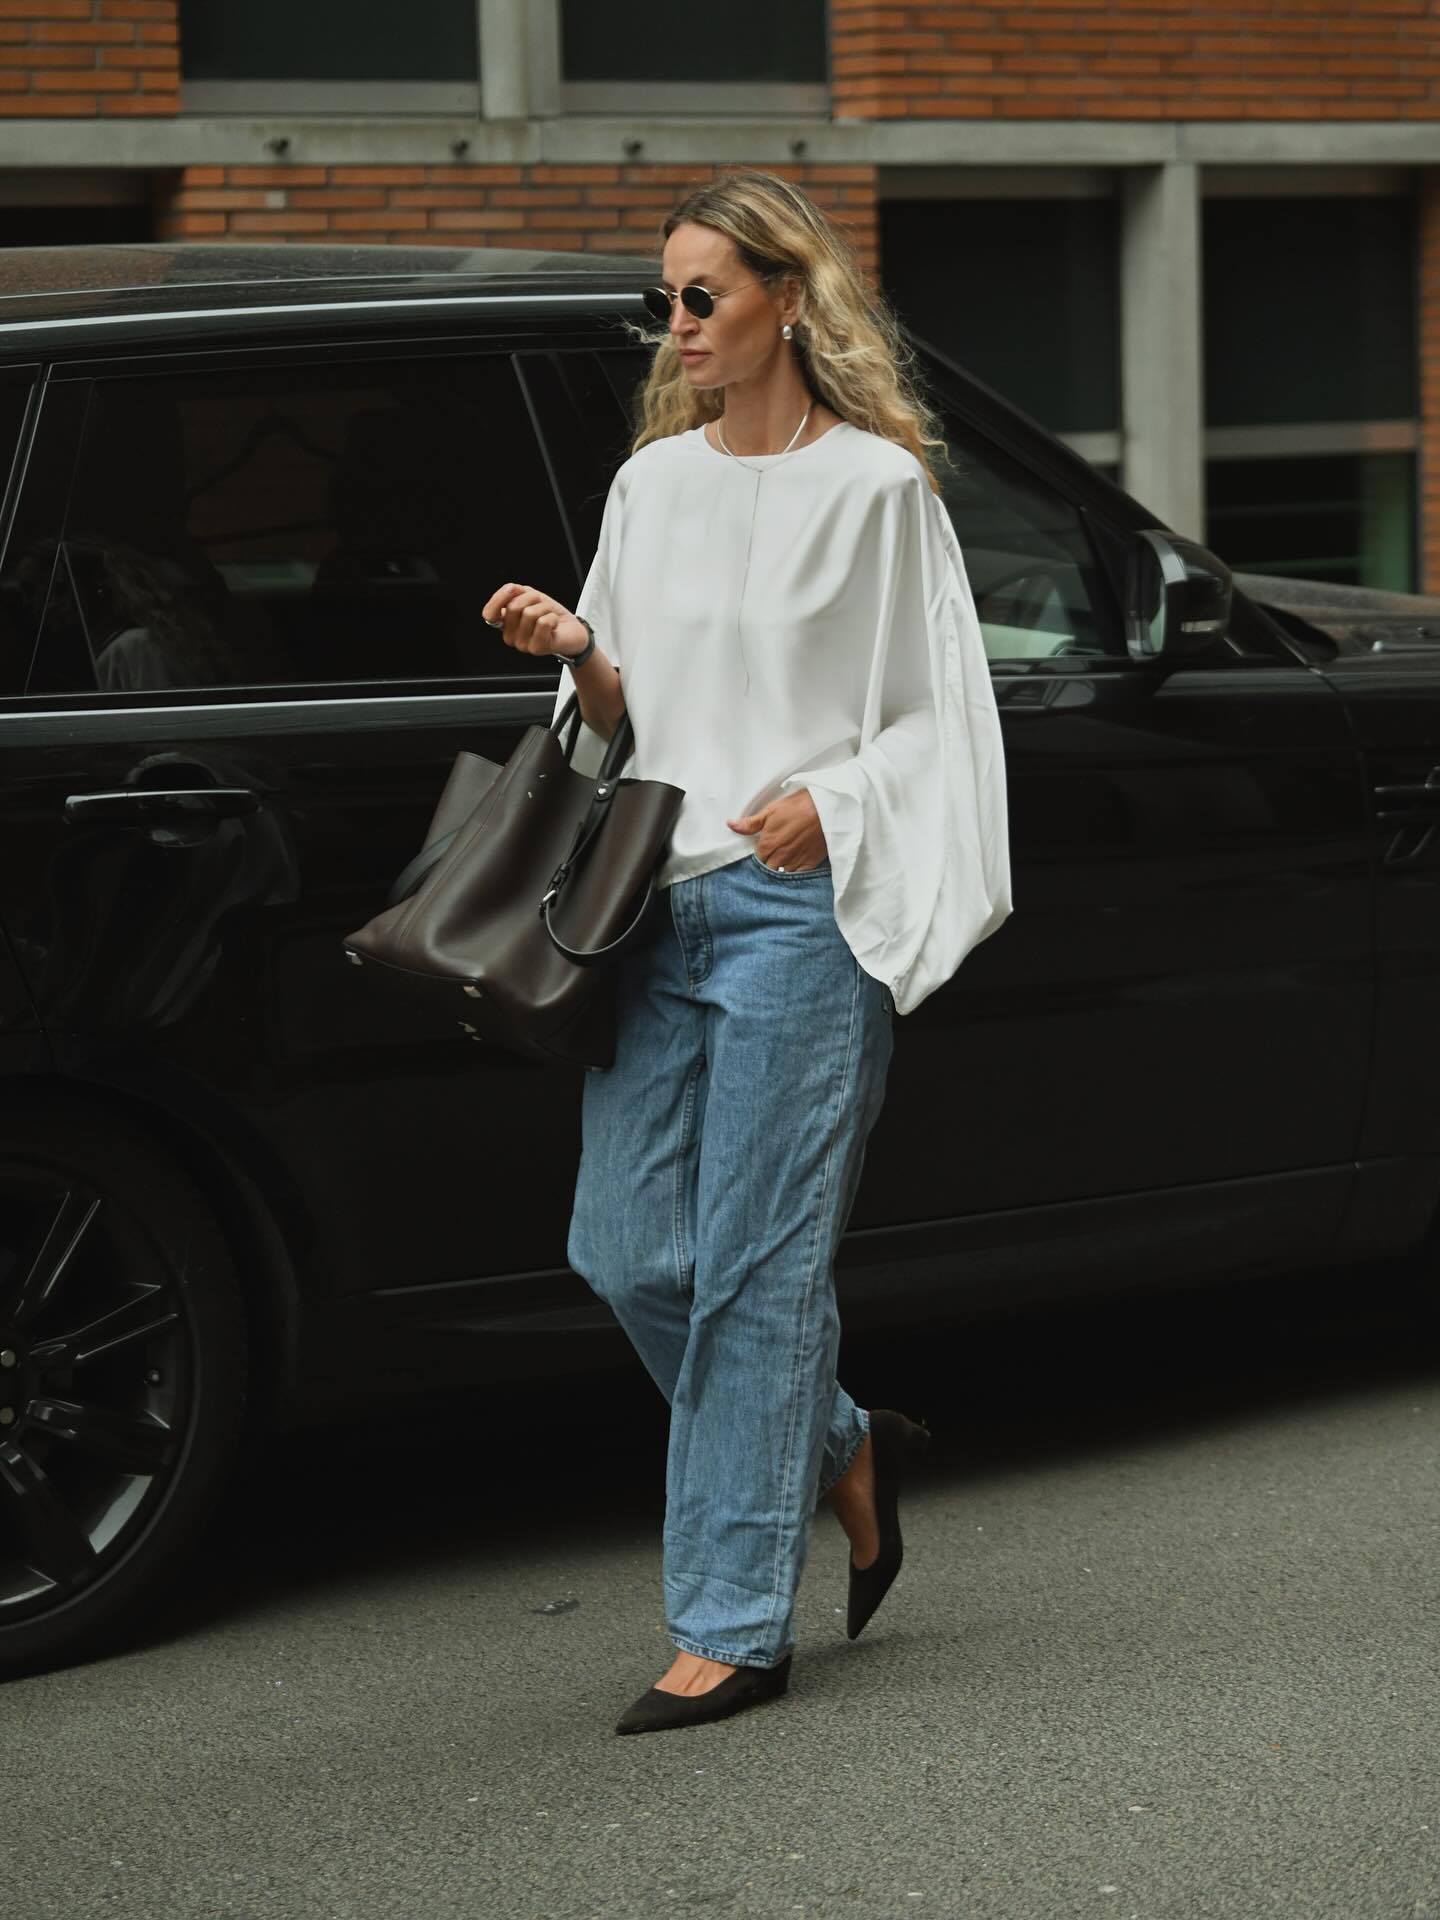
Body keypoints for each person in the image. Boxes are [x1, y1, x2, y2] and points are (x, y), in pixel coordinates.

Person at [482, 168, 1011, 1737]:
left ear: (788, 295)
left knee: (760, 1274)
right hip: (655, 908)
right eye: (667, 299)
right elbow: (619, 722)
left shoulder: (879, 492)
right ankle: (844, 1444)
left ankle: (728, 1626)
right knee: (628, 1249)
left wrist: (833, 804)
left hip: (798, 919)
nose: (680, 325)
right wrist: (582, 656)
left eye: (703, 295)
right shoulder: (653, 487)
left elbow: (941, 719)